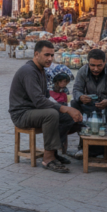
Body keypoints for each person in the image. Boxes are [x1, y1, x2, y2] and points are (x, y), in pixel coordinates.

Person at [9, 41, 83, 173]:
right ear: (36, 54)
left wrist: (67, 108)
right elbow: (39, 101)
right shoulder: (29, 71)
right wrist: (64, 108)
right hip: (22, 113)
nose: (49, 58)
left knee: (66, 117)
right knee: (52, 114)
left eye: (52, 55)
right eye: (46, 55)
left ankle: (53, 152)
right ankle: (48, 158)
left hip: (35, 110)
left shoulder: (41, 70)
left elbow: (46, 96)